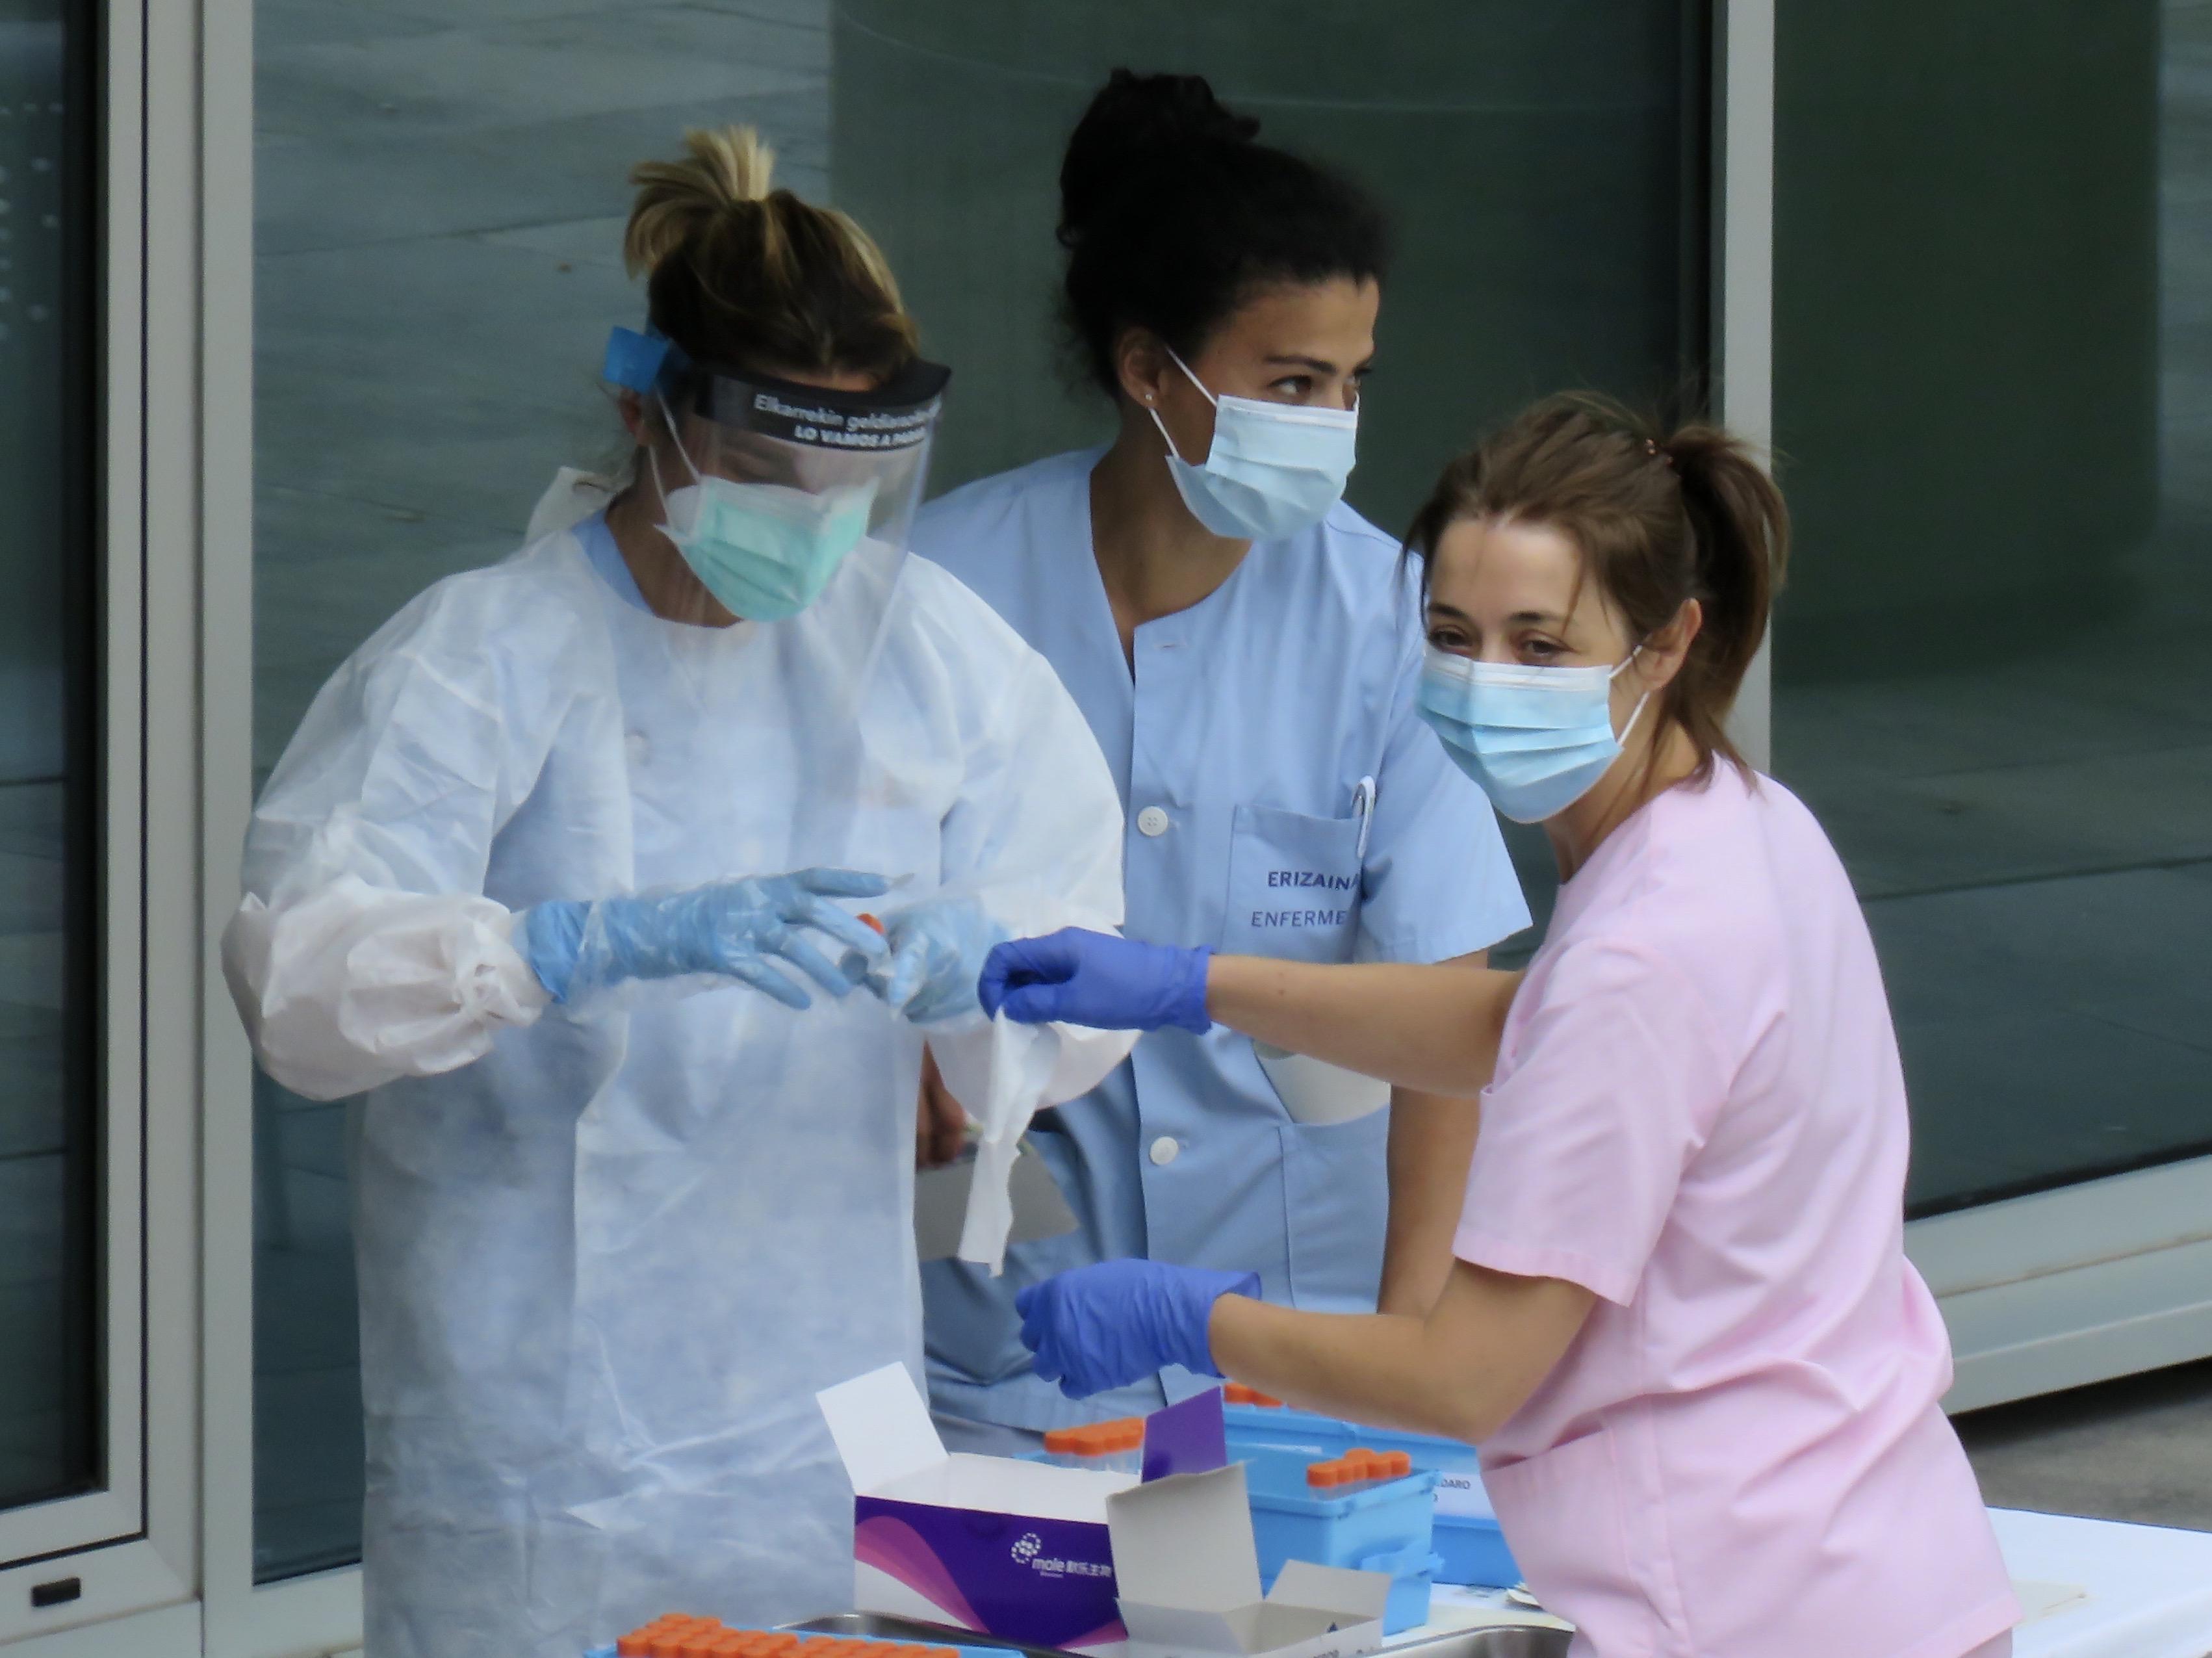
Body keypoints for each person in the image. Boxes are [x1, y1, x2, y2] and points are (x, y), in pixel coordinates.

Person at [222, 127, 1133, 1657]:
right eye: (770, 473)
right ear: (646, 405)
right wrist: (562, 947)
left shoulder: (926, 653)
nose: (812, 525)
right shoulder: (485, 659)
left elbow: (1080, 961)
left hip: (824, 1412)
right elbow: (299, 988)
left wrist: (989, 971)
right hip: (535, 1449)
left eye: (852, 480)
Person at [983, 398, 2020, 1658]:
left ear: (1666, 641)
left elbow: (1461, 1375)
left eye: (1540, 645)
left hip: (1743, 1606)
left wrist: (1180, 1320)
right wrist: (1191, 984)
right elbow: (1522, 1019)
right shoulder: (1741, 829)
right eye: (1452, 638)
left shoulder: (1644, 950)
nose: (1485, 683)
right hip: (1885, 1559)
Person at [909, 70, 1528, 1452]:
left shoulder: (1389, 617)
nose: (1331, 422)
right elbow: (836, 900)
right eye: (1291, 382)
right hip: (1003, 1321)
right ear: (1148, 370)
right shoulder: (944, 589)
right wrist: (901, 1056)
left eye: (1352, 383)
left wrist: (1411, 1355)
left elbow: (1445, 1024)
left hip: (1294, 1343)